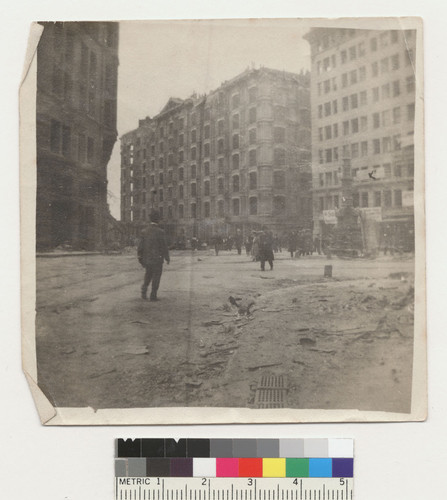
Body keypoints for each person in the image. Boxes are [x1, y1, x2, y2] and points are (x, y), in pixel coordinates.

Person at [137, 210, 170, 301]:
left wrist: (140, 257)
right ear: (158, 220)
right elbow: (164, 246)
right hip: (157, 259)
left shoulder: (144, 231)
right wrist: (167, 258)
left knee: (148, 274)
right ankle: (153, 295)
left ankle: (144, 290)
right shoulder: (160, 232)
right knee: (156, 276)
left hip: (147, 259)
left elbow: (140, 246)